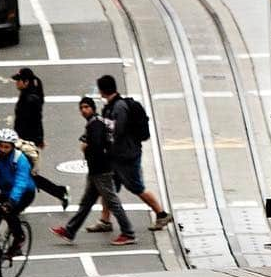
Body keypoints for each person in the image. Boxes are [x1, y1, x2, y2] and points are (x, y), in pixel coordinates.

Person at [89, 75, 171, 232]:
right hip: (118, 155)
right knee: (108, 188)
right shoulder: (113, 106)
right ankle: (105, 221)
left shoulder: (118, 107)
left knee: (136, 187)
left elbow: (117, 131)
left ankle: (161, 214)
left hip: (126, 156)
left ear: (102, 90)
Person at [51, 95, 135, 245]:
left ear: (93, 108)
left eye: (86, 107)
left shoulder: (95, 124)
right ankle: (70, 231)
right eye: (81, 108)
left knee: (112, 202)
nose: (84, 110)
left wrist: (86, 148)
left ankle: (128, 233)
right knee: (86, 203)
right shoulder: (95, 122)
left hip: (101, 170)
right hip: (96, 170)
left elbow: (96, 146)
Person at [12, 67, 69, 209]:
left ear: (26, 82)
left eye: (18, 80)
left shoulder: (31, 99)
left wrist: (38, 139)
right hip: (22, 140)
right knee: (23, 173)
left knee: (26, 174)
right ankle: (60, 192)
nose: (16, 83)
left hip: (26, 142)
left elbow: (37, 120)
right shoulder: (27, 95)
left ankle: (60, 192)